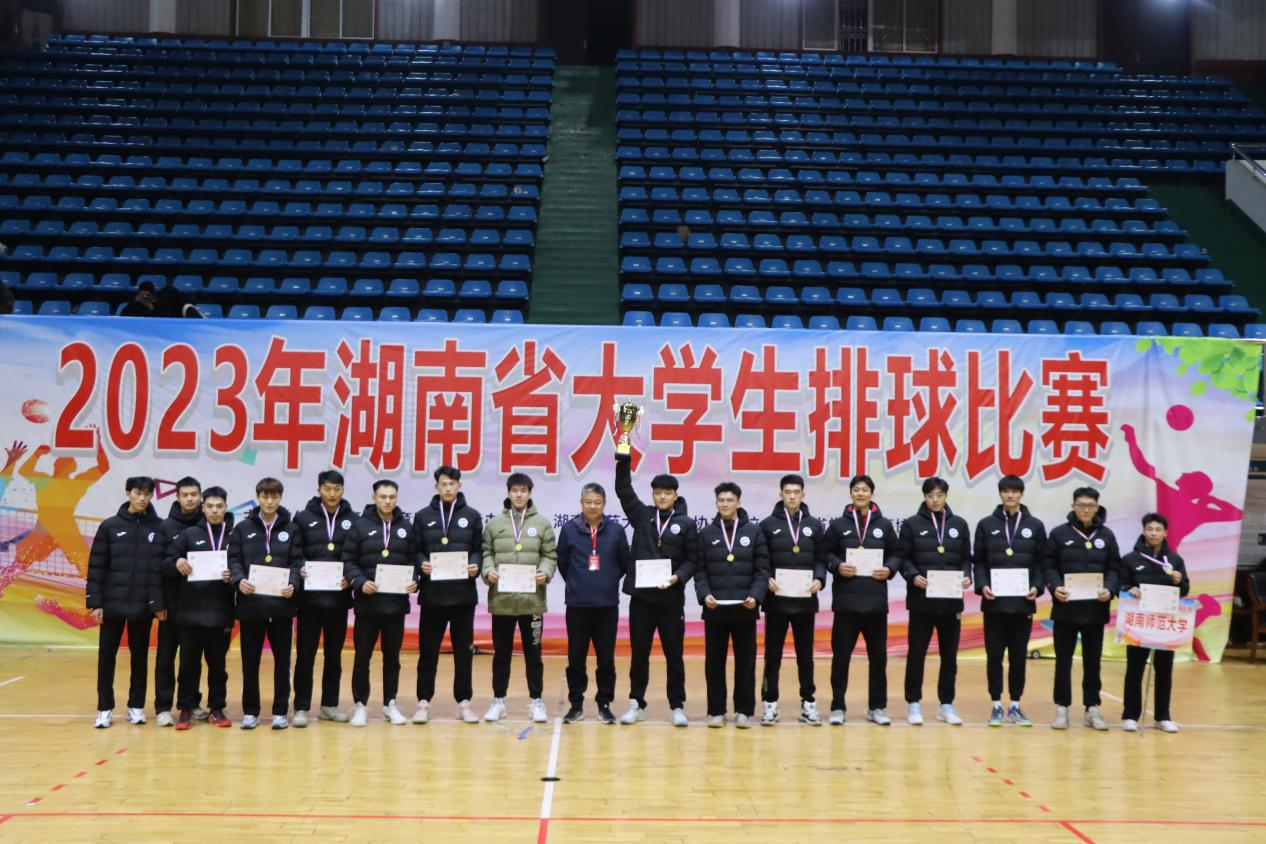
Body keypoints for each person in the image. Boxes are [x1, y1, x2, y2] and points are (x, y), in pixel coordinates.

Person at [613, 450, 696, 727]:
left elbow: (692, 560)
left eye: (667, 493)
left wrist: (677, 577)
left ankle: (677, 705)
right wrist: (624, 457)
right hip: (642, 600)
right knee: (639, 654)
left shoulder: (686, 524)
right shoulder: (642, 516)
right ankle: (636, 703)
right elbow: (623, 489)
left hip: (671, 600)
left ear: (675, 495)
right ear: (653, 494)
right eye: (658, 492)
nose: (662, 497)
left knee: (674, 655)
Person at [87, 476, 165, 728]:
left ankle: (136, 706)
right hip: (112, 605)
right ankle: (104, 708)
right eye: (137, 493)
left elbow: (160, 570)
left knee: (139, 657)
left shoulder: (159, 527)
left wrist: (157, 603)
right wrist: (96, 602)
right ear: (127, 492)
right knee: (106, 657)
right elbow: (97, 566)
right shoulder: (110, 526)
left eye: (147, 494)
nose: (142, 498)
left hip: (142, 605)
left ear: (152, 496)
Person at [823, 474, 900, 726]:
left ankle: (877, 707)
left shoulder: (884, 525)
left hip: (875, 604)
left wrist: (889, 568)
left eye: (865, 490)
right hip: (846, 603)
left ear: (872, 494)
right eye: (856, 490)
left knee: (878, 659)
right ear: (850, 493)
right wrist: (837, 566)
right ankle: (838, 707)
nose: (860, 494)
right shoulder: (838, 525)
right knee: (841, 658)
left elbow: (897, 553)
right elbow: (825, 553)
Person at [1042, 486, 1121, 731]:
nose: (1085, 510)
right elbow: (1048, 566)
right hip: (1066, 609)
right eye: (1081, 505)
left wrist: (1110, 588)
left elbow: (1115, 568)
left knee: (1092, 662)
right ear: (1073, 506)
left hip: (1095, 610)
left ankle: (1092, 708)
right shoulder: (1059, 534)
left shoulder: (1106, 535)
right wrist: (1055, 587)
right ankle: (1062, 708)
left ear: (1097, 508)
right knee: (1063, 661)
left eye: (1090, 506)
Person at [481, 473, 557, 724]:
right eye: (515, 490)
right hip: (502, 602)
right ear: (508, 492)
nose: (519, 495)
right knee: (501, 654)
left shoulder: (542, 524)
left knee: (533, 654)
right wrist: (488, 571)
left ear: (530, 493)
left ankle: (536, 701)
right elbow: (486, 552)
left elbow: (550, 555)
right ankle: (498, 701)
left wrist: (544, 573)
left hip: (531, 602)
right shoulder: (494, 524)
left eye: (523, 490)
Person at [343, 479, 419, 727]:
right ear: (374, 497)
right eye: (383, 496)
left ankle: (390, 704)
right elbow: (348, 561)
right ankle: (360, 705)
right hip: (367, 605)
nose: (387, 501)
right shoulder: (359, 526)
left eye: (392, 497)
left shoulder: (406, 527)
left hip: (395, 606)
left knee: (392, 658)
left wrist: (415, 580)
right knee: (362, 658)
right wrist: (360, 581)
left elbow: (414, 560)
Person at [227, 477, 302, 730]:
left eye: (274, 496)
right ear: (258, 497)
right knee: (250, 662)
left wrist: (293, 584)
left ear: (280, 498)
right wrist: (239, 581)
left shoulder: (292, 529)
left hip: (282, 608)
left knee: (283, 662)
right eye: (265, 496)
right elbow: (234, 560)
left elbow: (297, 563)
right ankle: (251, 712)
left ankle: (280, 711)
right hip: (251, 606)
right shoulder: (242, 528)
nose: (270, 501)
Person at [972, 475, 1046, 727]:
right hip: (994, 604)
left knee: (1018, 656)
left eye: (1014, 491)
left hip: (1022, 605)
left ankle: (1015, 704)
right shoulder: (986, 524)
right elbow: (979, 561)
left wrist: (1037, 587)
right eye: (1005, 491)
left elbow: (1041, 563)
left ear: (1021, 494)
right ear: (1000, 494)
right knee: (994, 656)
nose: (1010, 495)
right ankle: (995, 704)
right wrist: (982, 585)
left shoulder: (1035, 526)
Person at [898, 477, 972, 726]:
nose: (935, 500)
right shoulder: (911, 524)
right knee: (916, 654)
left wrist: (967, 576)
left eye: (939, 495)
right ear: (924, 497)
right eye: (930, 495)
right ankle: (913, 703)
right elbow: (903, 558)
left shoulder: (959, 524)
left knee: (949, 657)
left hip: (951, 604)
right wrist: (913, 575)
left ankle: (946, 705)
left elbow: (966, 558)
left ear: (946, 496)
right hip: (921, 602)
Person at [694, 482, 769, 729]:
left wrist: (755, 597)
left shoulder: (754, 532)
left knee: (745, 663)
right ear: (716, 503)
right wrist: (705, 595)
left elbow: (762, 570)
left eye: (729, 500)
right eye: (721, 500)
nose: (725, 504)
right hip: (715, 610)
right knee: (714, 663)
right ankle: (716, 711)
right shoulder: (706, 534)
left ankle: (744, 711)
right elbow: (700, 571)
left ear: (739, 502)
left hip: (744, 610)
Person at [414, 465, 483, 724]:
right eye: (443, 484)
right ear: (436, 486)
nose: (448, 488)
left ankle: (464, 702)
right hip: (433, 595)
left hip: (463, 595)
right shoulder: (422, 516)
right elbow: (416, 549)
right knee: (428, 651)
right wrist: (421, 563)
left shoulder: (472, 516)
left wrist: (475, 565)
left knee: (464, 652)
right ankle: (423, 702)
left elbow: (478, 549)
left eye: (452, 484)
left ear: (459, 486)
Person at [758, 474, 828, 726]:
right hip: (776, 600)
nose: (791, 496)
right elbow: (761, 559)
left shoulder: (814, 525)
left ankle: (808, 703)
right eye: (787, 492)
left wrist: (819, 578)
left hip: (804, 601)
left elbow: (821, 558)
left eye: (796, 492)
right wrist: (766, 578)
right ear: (780, 494)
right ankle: (770, 703)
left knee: (805, 656)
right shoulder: (767, 525)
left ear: (803, 495)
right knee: (773, 655)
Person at [557, 483, 629, 724]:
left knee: (606, 659)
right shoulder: (569, 529)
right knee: (576, 658)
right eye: (588, 502)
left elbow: (624, 562)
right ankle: (576, 704)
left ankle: (604, 704)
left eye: (597, 502)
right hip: (577, 605)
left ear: (604, 504)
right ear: (581, 503)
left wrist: (607, 580)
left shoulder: (616, 531)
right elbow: (563, 562)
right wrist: (578, 583)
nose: (593, 506)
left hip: (607, 606)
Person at [165, 486, 235, 730]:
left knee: (218, 665)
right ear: (203, 508)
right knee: (188, 664)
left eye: (219, 506)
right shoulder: (188, 534)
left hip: (221, 612)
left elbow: (243, 567)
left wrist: (233, 575)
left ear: (226, 508)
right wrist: (177, 562)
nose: (214, 511)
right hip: (190, 612)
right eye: (210, 506)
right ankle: (186, 709)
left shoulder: (233, 536)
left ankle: (217, 708)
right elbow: (166, 561)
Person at [291, 469, 355, 726]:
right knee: (305, 656)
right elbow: (294, 553)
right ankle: (301, 707)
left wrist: (350, 577)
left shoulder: (353, 519)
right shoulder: (302, 518)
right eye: (327, 489)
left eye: (337, 489)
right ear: (319, 490)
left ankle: (329, 705)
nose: (332, 494)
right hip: (309, 601)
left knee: (334, 656)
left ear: (343, 490)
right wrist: (300, 568)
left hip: (338, 600)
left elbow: (355, 555)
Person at [1120, 512, 1188, 733]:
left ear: (1165, 533)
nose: (1154, 533)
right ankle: (1130, 715)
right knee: (1135, 669)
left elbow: (1185, 590)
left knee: (1164, 670)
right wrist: (1129, 588)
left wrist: (1179, 581)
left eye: (1158, 530)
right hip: (1139, 623)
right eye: (1150, 529)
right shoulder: (1131, 559)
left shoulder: (1175, 560)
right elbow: (1121, 584)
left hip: (1165, 624)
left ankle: (1162, 716)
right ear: (1143, 531)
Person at [154, 477, 205, 728]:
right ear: (177, 497)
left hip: (197, 605)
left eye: (194, 494)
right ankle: (163, 707)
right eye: (185, 495)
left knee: (191, 659)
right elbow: (156, 565)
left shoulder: (209, 524)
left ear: (201, 496)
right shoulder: (165, 527)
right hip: (171, 605)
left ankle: (191, 702)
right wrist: (158, 603)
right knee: (165, 658)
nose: (190, 499)